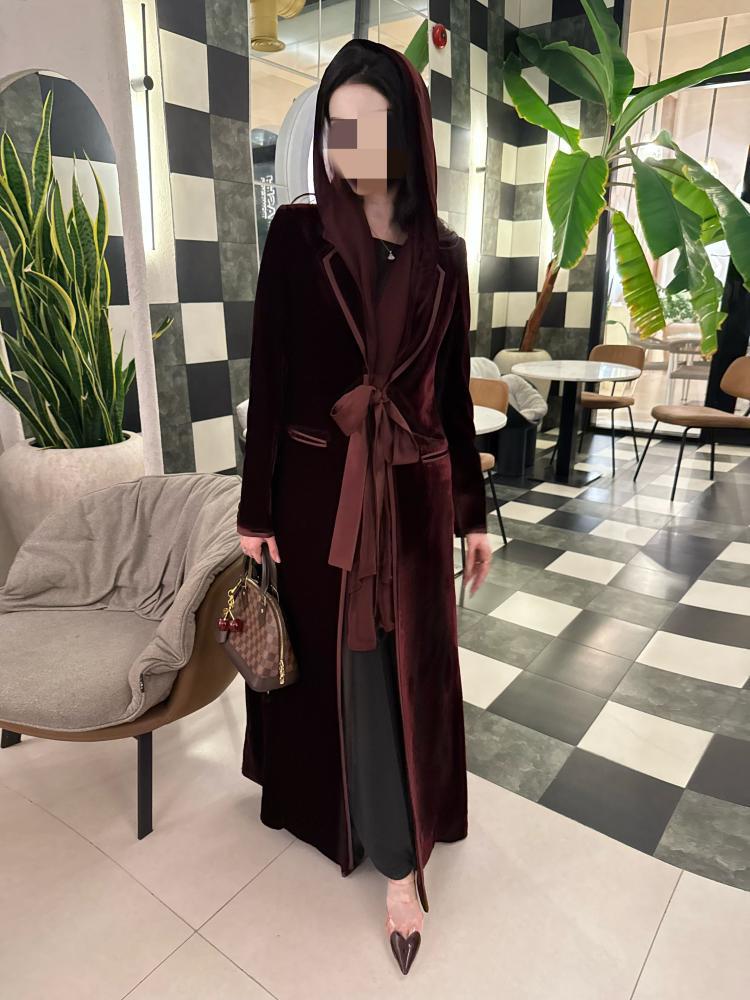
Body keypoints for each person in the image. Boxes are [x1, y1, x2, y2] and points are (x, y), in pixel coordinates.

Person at [236, 37, 491, 975]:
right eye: (336, 125)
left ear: (409, 132)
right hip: (318, 500)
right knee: (346, 669)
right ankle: (392, 862)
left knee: (404, 673)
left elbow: (450, 397)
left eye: (370, 126)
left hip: (414, 502)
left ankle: (403, 843)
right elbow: (271, 376)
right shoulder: (297, 235)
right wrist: (254, 509)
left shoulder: (444, 256)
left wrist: (472, 513)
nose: (349, 146)